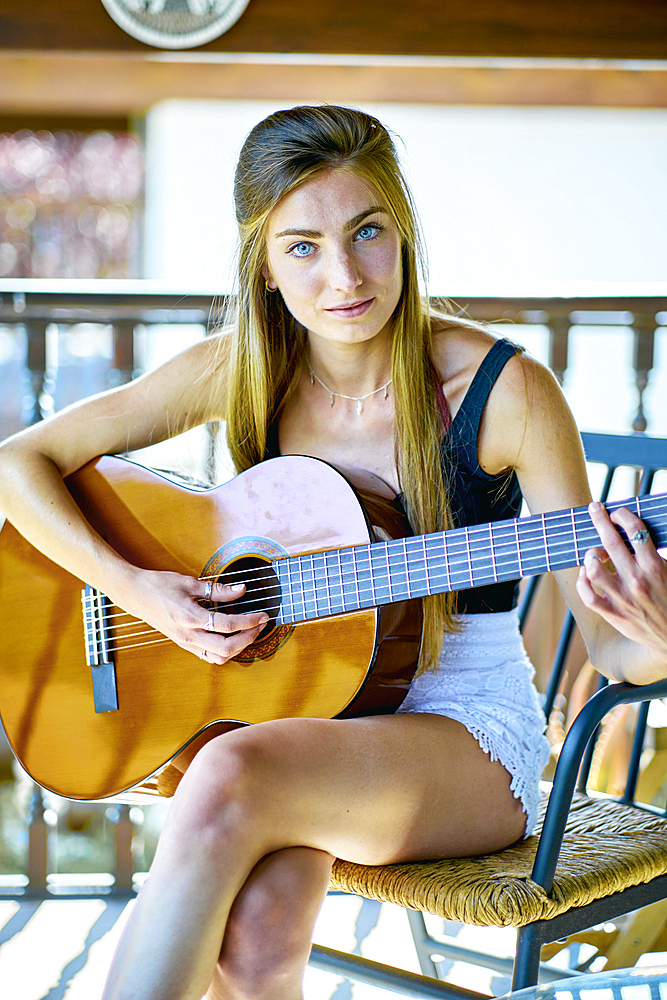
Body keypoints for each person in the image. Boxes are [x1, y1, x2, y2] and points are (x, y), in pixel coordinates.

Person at [0, 104, 666, 1000]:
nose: (344, 275)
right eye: (302, 246)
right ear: (265, 266)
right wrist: (141, 590)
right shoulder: (244, 367)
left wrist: (651, 633)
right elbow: (18, 465)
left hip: (461, 733)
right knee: (256, 941)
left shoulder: (504, 390)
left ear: (404, 233)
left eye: (367, 233)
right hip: (306, 699)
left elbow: (614, 648)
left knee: (227, 769)